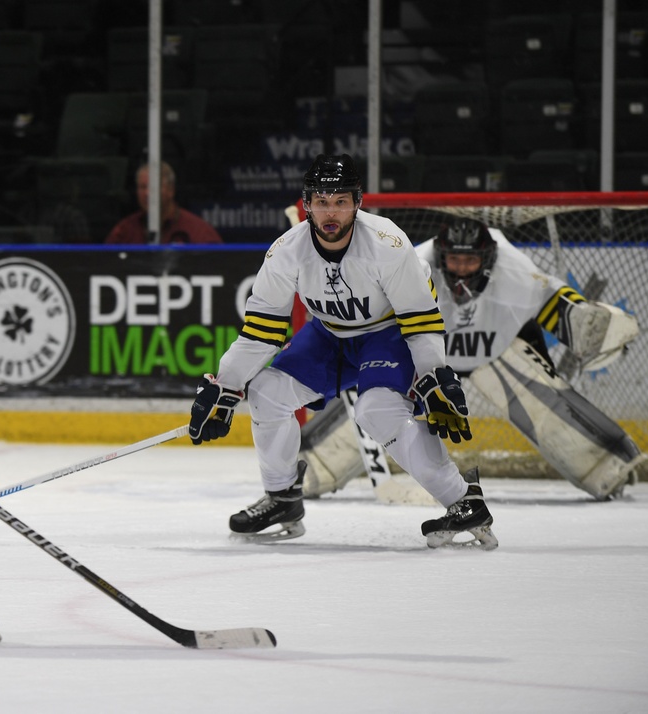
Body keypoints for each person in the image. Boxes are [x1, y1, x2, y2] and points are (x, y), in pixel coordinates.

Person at [187, 153, 498, 549]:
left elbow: (420, 320)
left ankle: (463, 501)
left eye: (340, 201)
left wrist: (433, 373)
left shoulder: (389, 245)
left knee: (376, 410)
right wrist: (226, 386)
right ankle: (282, 498)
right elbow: (261, 332)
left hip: (387, 333)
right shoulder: (286, 252)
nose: (330, 211)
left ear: (358, 202)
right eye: (321, 201)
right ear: (307, 204)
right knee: (266, 392)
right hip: (330, 334)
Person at [299, 218, 646, 501]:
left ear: (488, 259)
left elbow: (554, 300)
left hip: (496, 349)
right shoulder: (411, 263)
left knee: (545, 406)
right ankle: (306, 470)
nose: (462, 269)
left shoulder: (515, 271)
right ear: (440, 257)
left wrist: (587, 324)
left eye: (470, 260)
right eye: (455, 260)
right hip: (424, 354)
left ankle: (606, 466)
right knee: (378, 402)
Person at [105, 161, 224, 245]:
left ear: (171, 190)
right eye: (142, 187)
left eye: (153, 187)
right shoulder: (124, 232)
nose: (147, 193)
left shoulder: (199, 232)